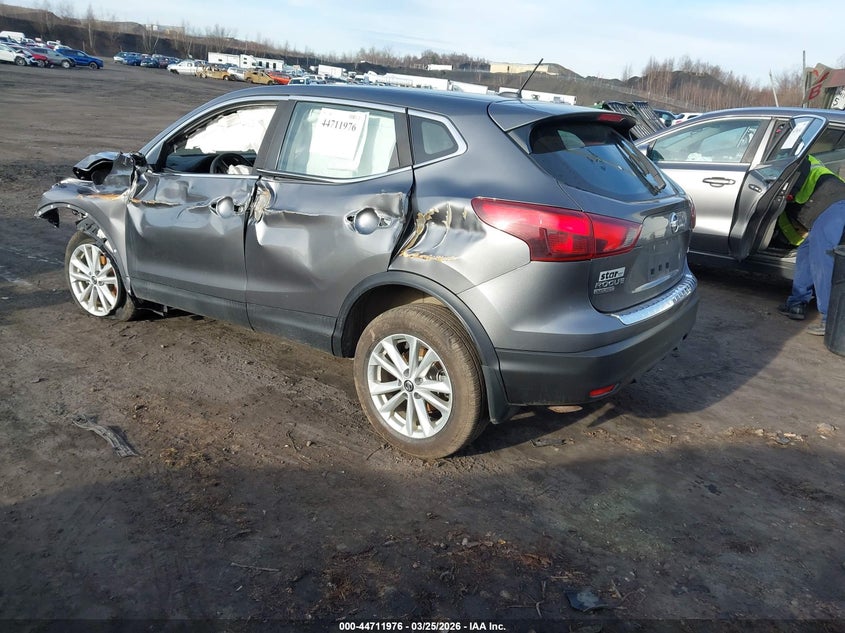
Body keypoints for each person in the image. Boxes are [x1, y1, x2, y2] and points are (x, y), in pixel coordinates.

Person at [778, 156, 845, 335]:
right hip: (827, 207)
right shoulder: (790, 158)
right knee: (806, 251)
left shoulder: (797, 158)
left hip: (834, 204)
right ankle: (796, 304)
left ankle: (830, 320)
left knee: (822, 260)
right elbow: (794, 234)